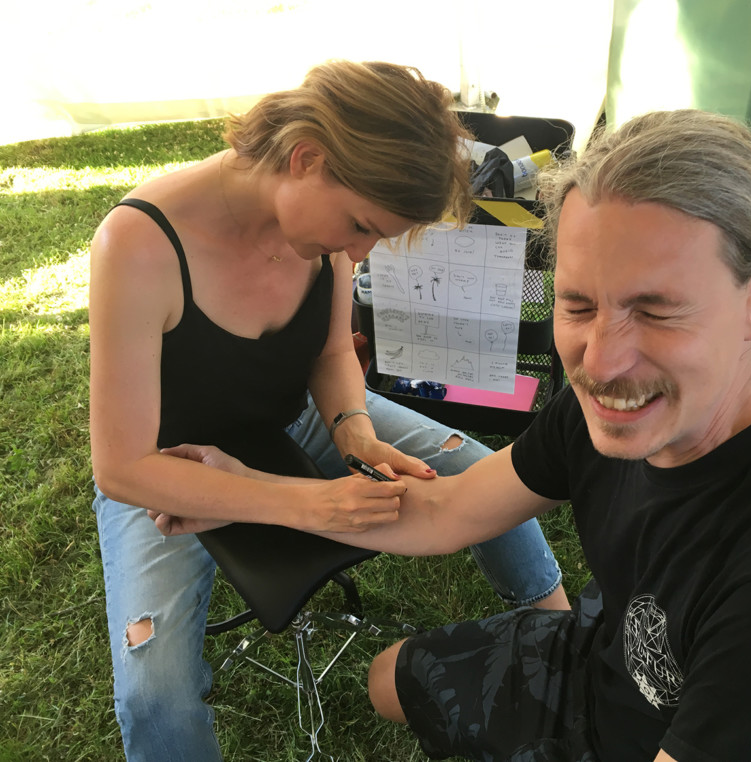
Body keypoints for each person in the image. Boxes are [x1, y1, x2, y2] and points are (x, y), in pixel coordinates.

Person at [155, 109, 751, 761]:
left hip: (698, 718)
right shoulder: (614, 404)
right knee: (386, 680)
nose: (600, 361)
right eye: (581, 305)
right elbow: (451, 511)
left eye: (655, 309)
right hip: (608, 658)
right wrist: (252, 496)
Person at [88, 59, 568, 761]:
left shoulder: (324, 231)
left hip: (297, 415)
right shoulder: (139, 246)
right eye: (361, 226)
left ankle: (556, 633)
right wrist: (308, 503)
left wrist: (354, 431)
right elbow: (122, 468)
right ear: (308, 157)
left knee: (481, 469)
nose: (361, 252)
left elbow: (332, 355)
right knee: (152, 693)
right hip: (167, 462)